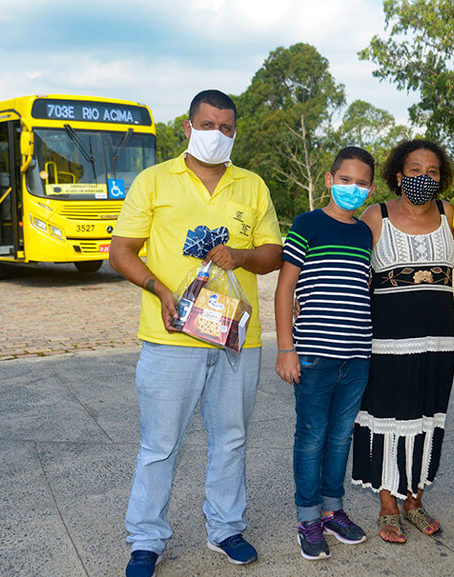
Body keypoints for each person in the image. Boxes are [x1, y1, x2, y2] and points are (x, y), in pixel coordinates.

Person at [109, 89, 283, 577]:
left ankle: (226, 528)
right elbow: (121, 251)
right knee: (159, 444)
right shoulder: (154, 181)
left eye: (226, 128)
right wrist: (161, 291)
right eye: (208, 126)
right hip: (171, 339)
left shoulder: (252, 186)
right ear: (187, 128)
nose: (217, 135)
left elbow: (273, 254)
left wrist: (241, 256)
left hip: (234, 339)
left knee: (231, 438)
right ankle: (146, 539)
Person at [351, 139, 454, 544]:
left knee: (429, 416)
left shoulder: (449, 212)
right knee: (389, 418)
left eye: (432, 172)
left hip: (438, 343)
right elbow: (352, 272)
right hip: (389, 343)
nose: (423, 178)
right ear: (398, 174)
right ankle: (388, 507)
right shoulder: (374, 216)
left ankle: (414, 500)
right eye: (414, 170)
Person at [275, 146, 376, 560]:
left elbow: (362, 288)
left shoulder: (363, 233)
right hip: (314, 354)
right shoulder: (307, 224)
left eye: (363, 182)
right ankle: (307, 518)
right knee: (312, 436)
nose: (354, 188)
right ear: (331, 179)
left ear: (371, 188)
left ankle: (333, 511)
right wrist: (286, 348)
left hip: (356, 356)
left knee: (340, 437)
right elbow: (285, 288)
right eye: (346, 180)